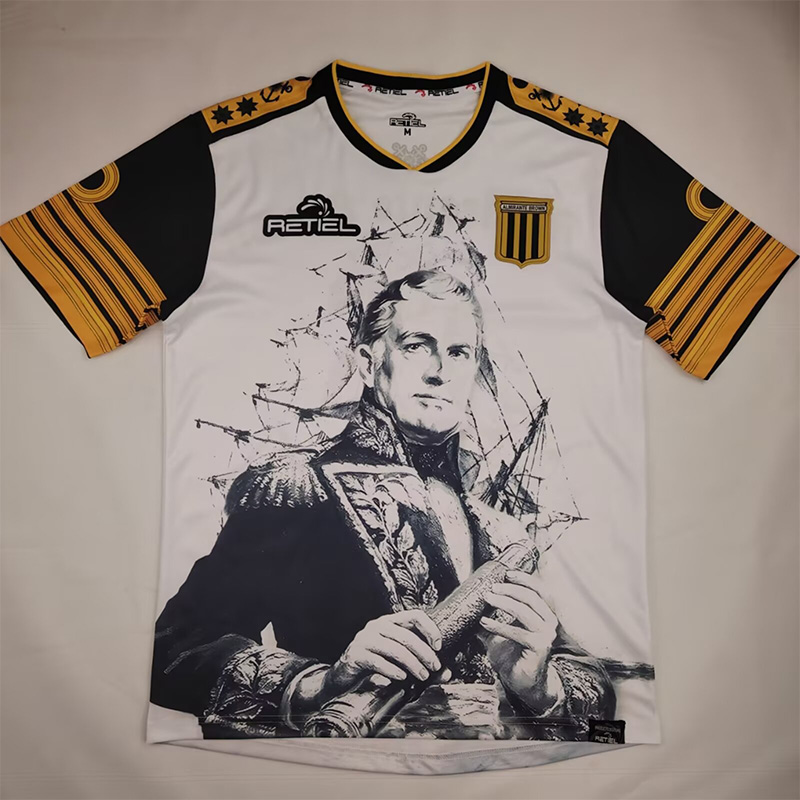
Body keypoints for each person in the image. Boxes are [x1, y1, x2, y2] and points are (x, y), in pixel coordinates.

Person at [151, 270, 615, 739]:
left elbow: (591, 686)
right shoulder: (299, 487)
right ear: (368, 363)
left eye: (459, 352)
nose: (439, 370)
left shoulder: (499, 531)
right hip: (345, 768)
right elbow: (176, 650)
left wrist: (541, 686)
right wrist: (320, 684)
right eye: (416, 346)